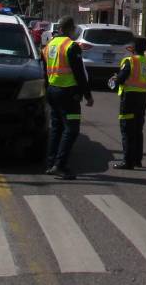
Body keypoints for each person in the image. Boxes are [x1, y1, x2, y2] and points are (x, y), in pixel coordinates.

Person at [42, 17, 93, 179]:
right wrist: (87, 95)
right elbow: (79, 74)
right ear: (70, 29)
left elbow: (44, 70)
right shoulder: (71, 46)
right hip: (68, 94)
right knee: (71, 129)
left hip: (52, 91)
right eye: (73, 29)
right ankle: (60, 164)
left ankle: (51, 164)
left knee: (57, 128)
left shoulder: (49, 46)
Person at [108, 36, 146, 169]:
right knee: (138, 129)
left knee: (127, 130)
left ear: (132, 48)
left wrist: (115, 79)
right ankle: (137, 160)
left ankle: (127, 161)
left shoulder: (130, 61)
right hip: (142, 97)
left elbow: (121, 78)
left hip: (129, 98)